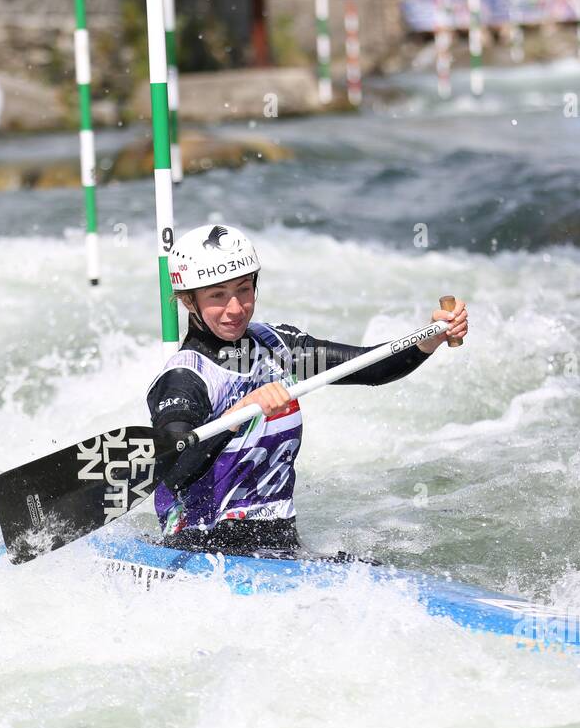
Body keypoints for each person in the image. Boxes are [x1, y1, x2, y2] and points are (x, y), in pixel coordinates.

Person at [146, 224, 469, 557]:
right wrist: (235, 416)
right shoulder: (184, 378)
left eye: (243, 289)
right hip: (201, 554)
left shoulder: (276, 347)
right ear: (188, 301)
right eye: (217, 295)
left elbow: (369, 366)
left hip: (279, 549)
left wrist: (429, 339)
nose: (236, 307)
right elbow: (173, 471)